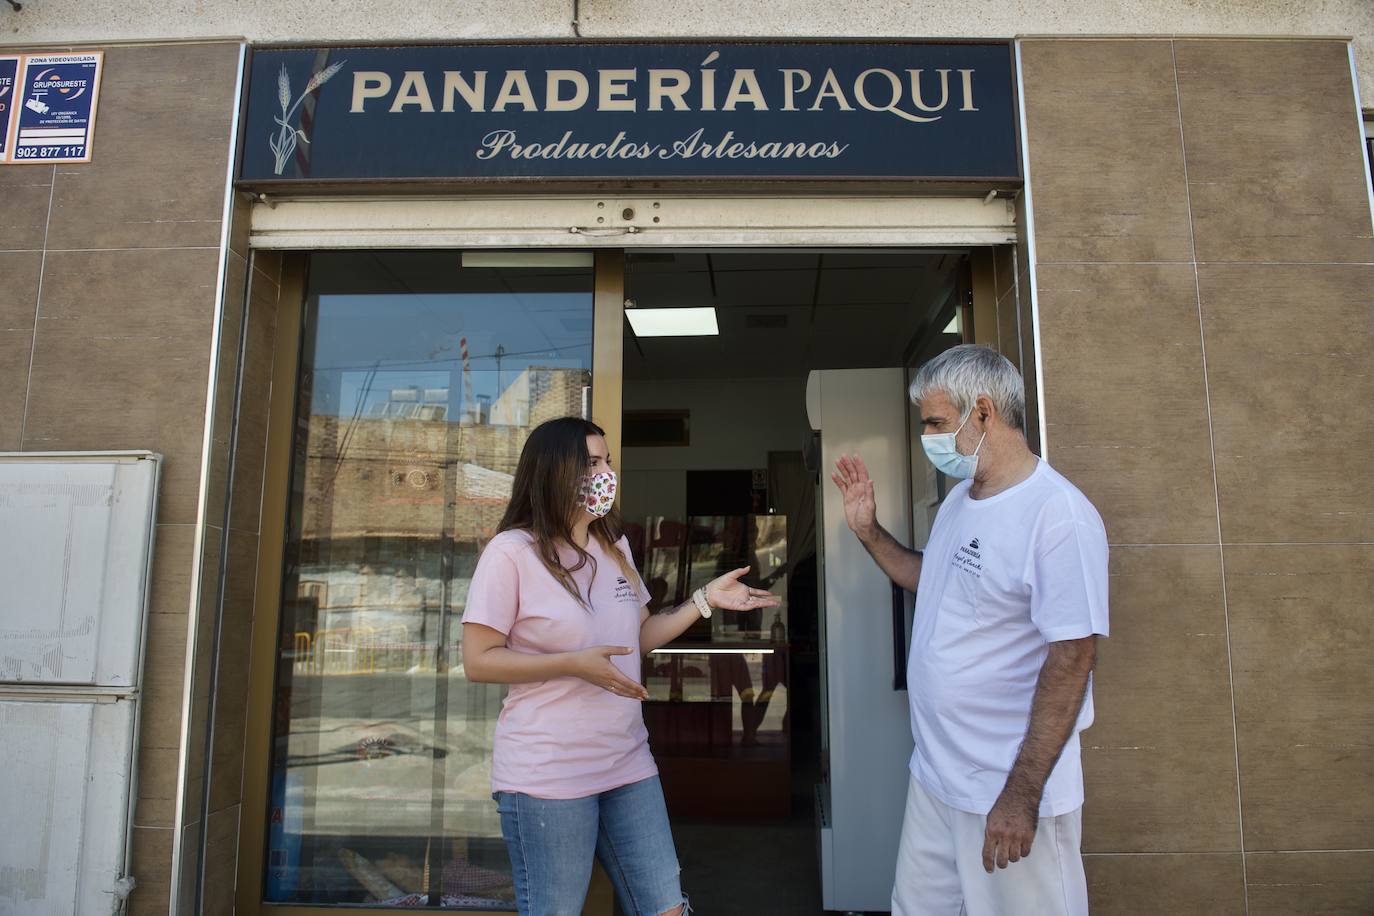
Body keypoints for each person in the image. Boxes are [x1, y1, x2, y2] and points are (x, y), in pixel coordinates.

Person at [461, 416, 781, 916]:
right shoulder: (512, 552)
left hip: (627, 763)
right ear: (553, 471)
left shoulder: (615, 546)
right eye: (592, 463)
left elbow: (637, 639)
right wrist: (573, 664)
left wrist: (704, 599)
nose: (607, 472)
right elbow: (478, 661)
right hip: (548, 775)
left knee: (667, 908)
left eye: (607, 461)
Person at [831, 344, 1108, 915]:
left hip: (1006, 788)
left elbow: (1073, 658)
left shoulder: (1058, 515)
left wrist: (1020, 795)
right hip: (937, 775)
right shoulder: (962, 500)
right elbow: (930, 579)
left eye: (936, 422)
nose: (927, 437)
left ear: (983, 412)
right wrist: (868, 531)